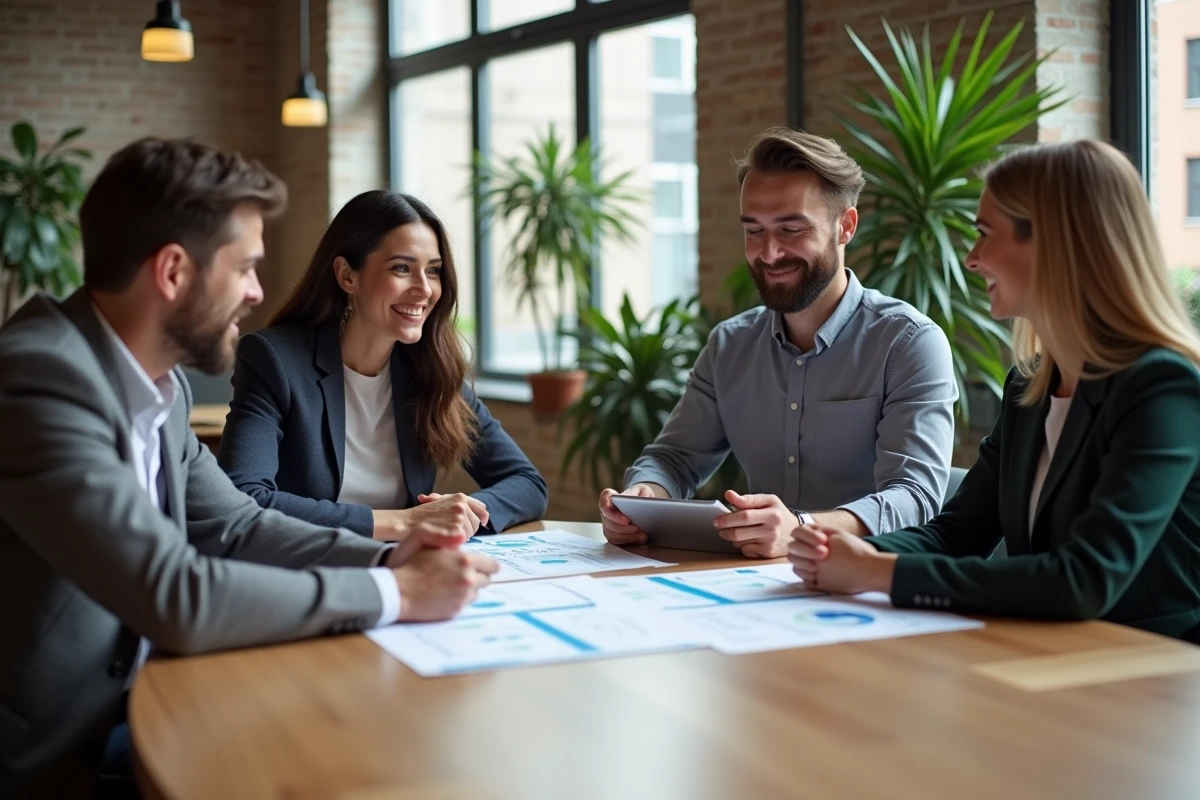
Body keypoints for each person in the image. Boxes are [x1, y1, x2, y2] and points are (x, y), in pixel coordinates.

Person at [0, 138, 499, 799]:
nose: (257, 292)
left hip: (142, 700)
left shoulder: (163, 386)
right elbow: (174, 593)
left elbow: (236, 525)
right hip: (49, 755)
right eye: (244, 269)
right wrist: (401, 595)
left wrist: (390, 561)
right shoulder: (40, 378)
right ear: (174, 272)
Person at [788, 140, 1200, 643]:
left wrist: (881, 574)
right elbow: (960, 531)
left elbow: (1084, 579)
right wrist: (857, 553)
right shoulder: (1031, 384)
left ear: (1053, 244)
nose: (973, 258)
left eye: (985, 235)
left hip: (1151, 677)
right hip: (1046, 655)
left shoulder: (1164, 387)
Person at [599, 126, 958, 558]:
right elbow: (674, 457)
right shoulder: (729, 345)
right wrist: (644, 497)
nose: (768, 253)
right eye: (754, 231)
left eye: (791, 229)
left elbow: (915, 497)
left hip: (873, 587)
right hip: (756, 590)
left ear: (845, 227)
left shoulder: (909, 344)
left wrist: (803, 528)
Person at [217, 190, 547, 541]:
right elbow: (244, 498)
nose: (424, 289)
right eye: (402, 268)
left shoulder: (431, 370)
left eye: (433, 271)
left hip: (405, 570)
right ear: (347, 276)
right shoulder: (276, 361)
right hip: (308, 575)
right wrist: (405, 522)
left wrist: (462, 512)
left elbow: (527, 483)